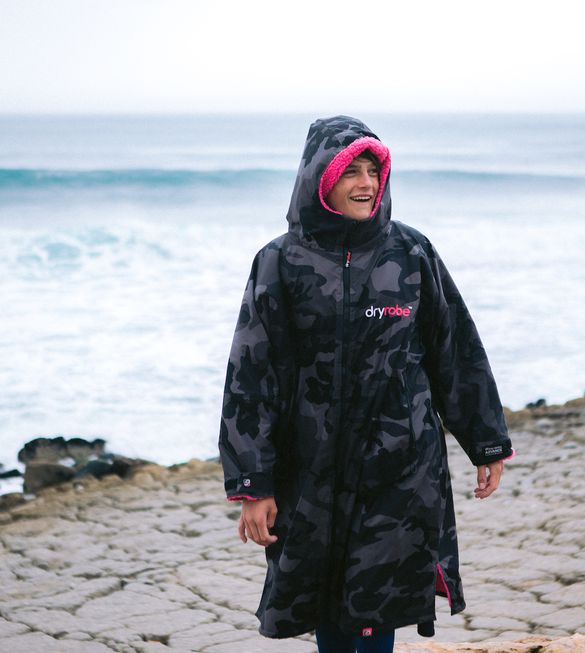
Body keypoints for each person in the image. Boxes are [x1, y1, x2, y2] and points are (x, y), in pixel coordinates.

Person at [218, 116, 512, 653]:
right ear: (318, 180)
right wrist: (252, 485)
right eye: (349, 170)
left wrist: (485, 441)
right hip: (309, 464)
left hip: (400, 460)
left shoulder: (411, 252)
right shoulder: (280, 261)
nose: (365, 183)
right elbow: (251, 376)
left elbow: (455, 350)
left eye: (373, 169)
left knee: (383, 596)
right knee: (324, 594)